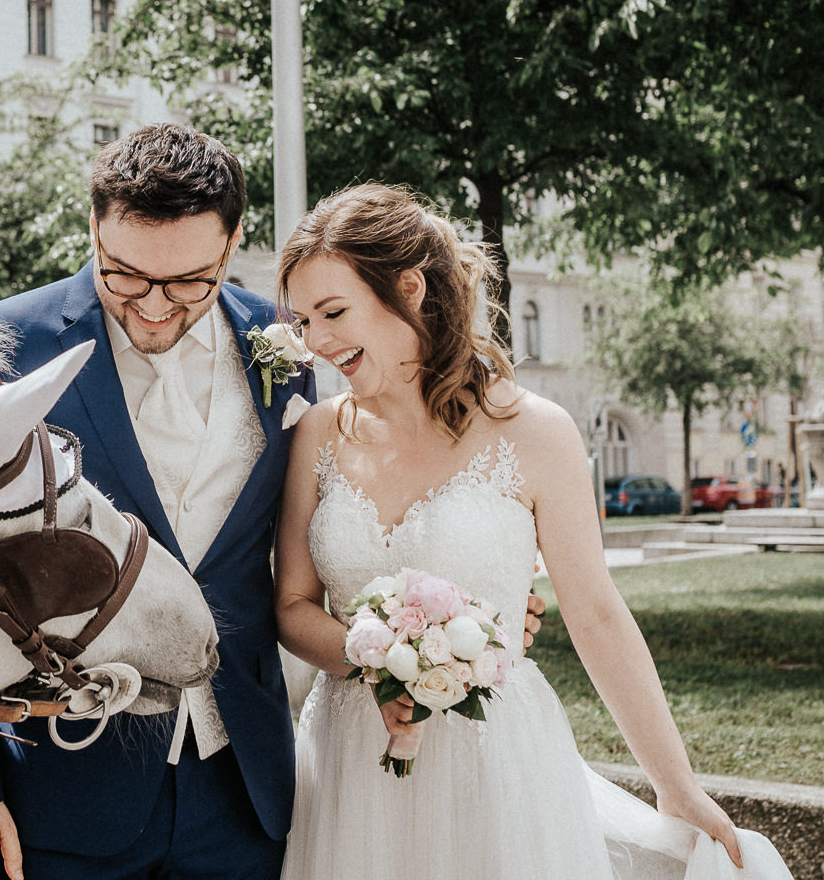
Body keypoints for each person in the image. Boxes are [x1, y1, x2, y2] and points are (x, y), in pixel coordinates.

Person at [273, 184, 786, 878]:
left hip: (496, 762)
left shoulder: (536, 430)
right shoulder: (316, 434)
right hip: (349, 763)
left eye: (333, 312)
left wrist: (676, 782)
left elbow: (596, 611)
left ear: (409, 287)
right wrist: (385, 662)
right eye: (302, 321)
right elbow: (293, 607)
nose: (316, 341)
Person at [0, 122, 314, 880]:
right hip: (56, 788)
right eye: (125, 274)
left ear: (231, 246)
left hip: (242, 782)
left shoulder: (283, 343)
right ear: (94, 228)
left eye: (189, 281)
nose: (155, 306)